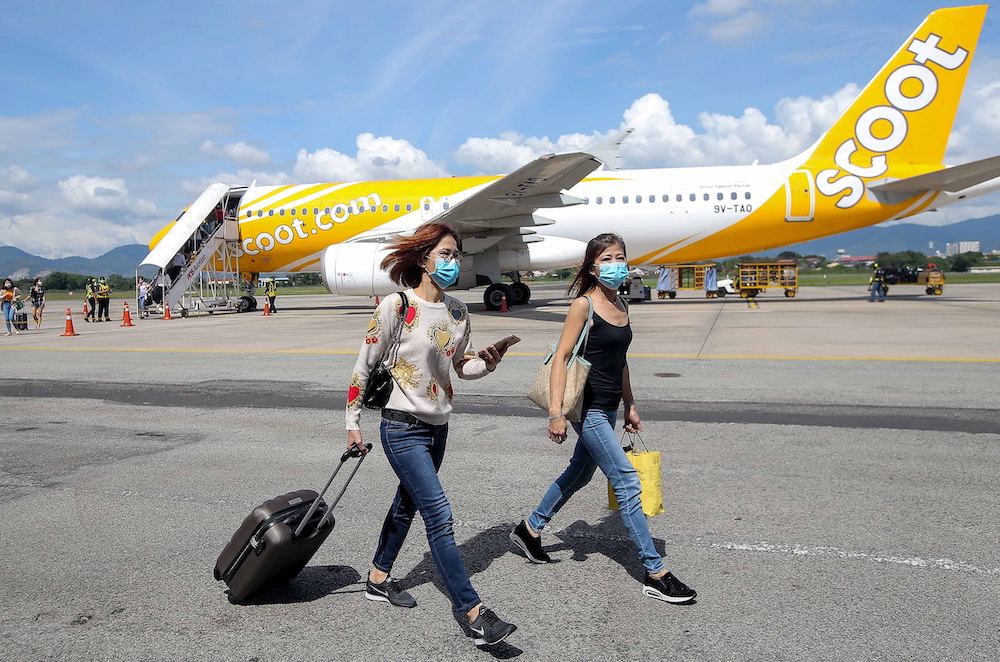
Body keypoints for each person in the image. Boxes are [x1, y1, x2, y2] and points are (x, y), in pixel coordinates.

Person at [345, 222, 517, 648]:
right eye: (445, 253)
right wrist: (352, 424)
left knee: (407, 505)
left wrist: (488, 362)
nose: (453, 261)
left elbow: (460, 368)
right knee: (438, 514)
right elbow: (364, 366)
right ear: (423, 258)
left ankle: (377, 579)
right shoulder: (396, 306)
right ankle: (474, 614)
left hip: (438, 427)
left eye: (456, 254)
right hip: (401, 427)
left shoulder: (458, 312)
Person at [509, 232, 697, 604]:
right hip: (589, 409)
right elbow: (561, 358)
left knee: (579, 475)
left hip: (610, 407)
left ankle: (529, 530)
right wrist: (556, 412)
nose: (615, 264)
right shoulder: (584, 305)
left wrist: (630, 404)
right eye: (606, 259)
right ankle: (655, 572)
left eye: (619, 257)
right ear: (592, 267)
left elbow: (620, 360)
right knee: (627, 481)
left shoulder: (622, 303)